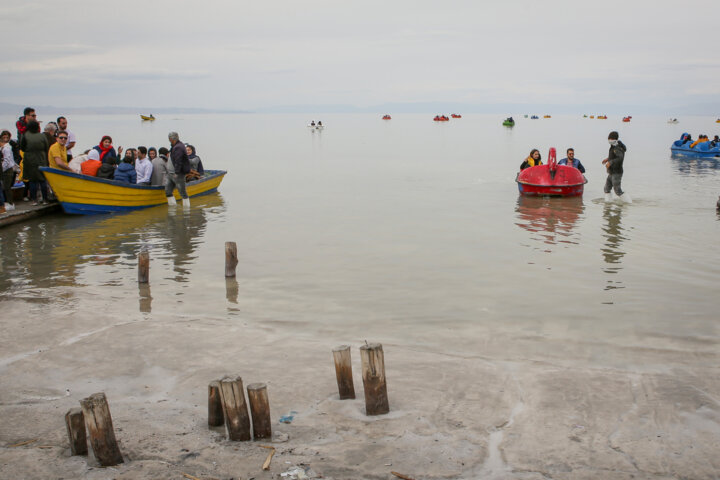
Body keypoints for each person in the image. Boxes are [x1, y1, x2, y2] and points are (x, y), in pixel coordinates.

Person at [18, 120, 49, 205]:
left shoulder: (26, 136)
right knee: (42, 180)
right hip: (41, 159)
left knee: (32, 181)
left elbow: (22, 148)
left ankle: (34, 200)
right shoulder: (42, 136)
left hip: (29, 160)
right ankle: (45, 199)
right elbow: (46, 147)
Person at [602, 131, 628, 202]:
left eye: (610, 139)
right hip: (611, 172)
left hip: (617, 172)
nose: (609, 140)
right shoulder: (613, 146)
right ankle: (608, 203)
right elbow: (614, 156)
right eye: (609, 138)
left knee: (617, 191)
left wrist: (610, 162)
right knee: (606, 189)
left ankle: (628, 203)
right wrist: (607, 159)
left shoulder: (617, 148)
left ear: (615, 139)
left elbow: (620, 158)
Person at [166, 131, 191, 206]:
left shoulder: (178, 147)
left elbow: (178, 161)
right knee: (168, 191)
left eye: (169, 138)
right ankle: (172, 208)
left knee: (182, 193)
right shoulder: (175, 146)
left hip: (177, 174)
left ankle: (187, 212)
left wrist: (176, 172)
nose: (169, 139)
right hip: (170, 173)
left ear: (171, 139)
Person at [1, 130, 20, 211]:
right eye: (3, 137)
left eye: (7, 137)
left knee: (7, 187)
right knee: (4, 186)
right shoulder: (3, 148)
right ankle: (7, 202)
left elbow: (7, 160)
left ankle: (10, 203)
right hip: (5, 169)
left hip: (8, 169)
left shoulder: (7, 148)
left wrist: (2, 169)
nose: (5, 138)